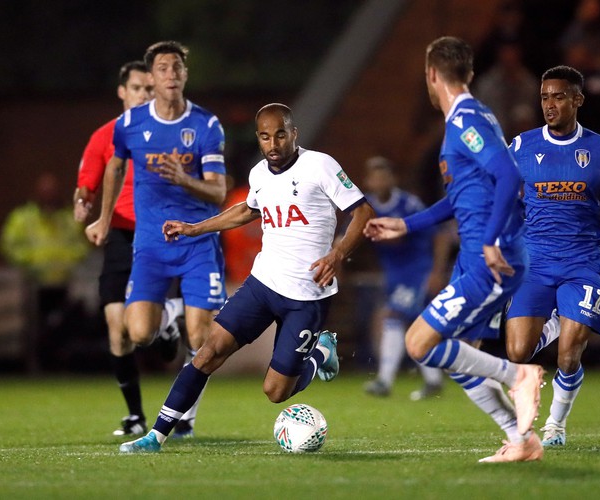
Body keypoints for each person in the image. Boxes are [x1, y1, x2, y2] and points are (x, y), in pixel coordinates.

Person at [118, 102, 375, 453]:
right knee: (208, 353)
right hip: (263, 285)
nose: (274, 143)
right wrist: (195, 228)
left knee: (275, 392)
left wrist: (338, 253)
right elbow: (246, 210)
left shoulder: (321, 166)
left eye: (281, 134)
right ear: (259, 138)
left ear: (293, 133)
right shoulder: (259, 174)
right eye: (266, 137)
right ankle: (156, 436)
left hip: (308, 297)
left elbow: (362, 211)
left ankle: (319, 354)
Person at [364, 36, 545, 463]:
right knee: (460, 359)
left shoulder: (466, 121)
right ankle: (521, 441)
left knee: (419, 343)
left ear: (431, 74)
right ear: (470, 73)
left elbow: (508, 177)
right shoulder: (471, 118)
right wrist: (406, 224)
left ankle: (519, 375)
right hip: (481, 257)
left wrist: (488, 241)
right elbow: (462, 197)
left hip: (491, 258)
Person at [85, 41, 228, 439]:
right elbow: (114, 168)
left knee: (202, 339)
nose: (170, 75)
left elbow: (218, 192)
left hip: (198, 243)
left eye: (176, 67)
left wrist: (183, 179)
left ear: (184, 74)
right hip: (149, 246)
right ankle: (168, 319)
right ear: (152, 76)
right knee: (138, 333)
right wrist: (103, 218)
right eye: (162, 68)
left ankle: (185, 416)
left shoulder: (205, 125)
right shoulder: (130, 125)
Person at [505, 65, 600, 447]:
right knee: (517, 351)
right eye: (545, 97)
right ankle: (558, 320)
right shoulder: (522, 147)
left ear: (578, 100)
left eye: (559, 96)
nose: (549, 104)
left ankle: (555, 427)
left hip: (583, 262)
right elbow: (503, 196)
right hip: (535, 263)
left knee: (567, 357)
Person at [74, 60, 186, 437]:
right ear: (122, 91)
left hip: (155, 235)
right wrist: (82, 203)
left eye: (149, 89)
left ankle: (166, 322)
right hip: (121, 237)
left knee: (142, 332)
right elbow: (87, 181)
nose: (143, 94)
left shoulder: (167, 133)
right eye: (137, 88)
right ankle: (136, 414)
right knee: (117, 330)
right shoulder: (103, 136)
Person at [361, 156, 447, 401]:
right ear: (368, 181)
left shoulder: (409, 204)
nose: (379, 180)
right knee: (413, 323)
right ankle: (433, 380)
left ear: (393, 178)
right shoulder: (367, 206)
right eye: (374, 176)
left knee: (393, 317)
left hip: (417, 271)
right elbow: (352, 232)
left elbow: (439, 236)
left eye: (384, 175)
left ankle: (384, 381)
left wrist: (436, 272)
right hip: (394, 275)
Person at [1, 172, 90, 371]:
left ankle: (63, 365)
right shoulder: (23, 218)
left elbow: (82, 246)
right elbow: (9, 245)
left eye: (52, 192)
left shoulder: (69, 218)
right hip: (34, 284)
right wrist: (30, 261)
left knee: (65, 327)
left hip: (64, 284)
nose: (49, 196)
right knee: (34, 328)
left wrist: (65, 261)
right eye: (45, 192)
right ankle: (34, 365)